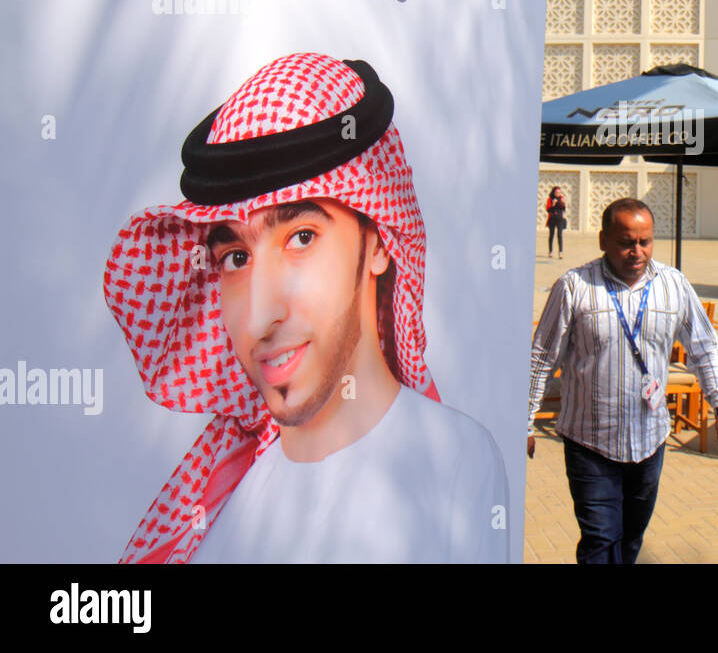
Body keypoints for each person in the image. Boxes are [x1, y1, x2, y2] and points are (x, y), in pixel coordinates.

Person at [103, 53, 507, 563]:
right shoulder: (223, 494)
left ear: (378, 241)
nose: (258, 317)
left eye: (301, 237)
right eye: (235, 257)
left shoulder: (456, 464)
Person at [526, 198, 718, 563]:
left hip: (649, 441)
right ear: (603, 239)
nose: (637, 251)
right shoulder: (574, 287)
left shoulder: (673, 286)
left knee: (630, 540)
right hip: (589, 442)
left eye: (645, 241)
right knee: (600, 539)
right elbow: (542, 357)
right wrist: (524, 419)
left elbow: (704, 348)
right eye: (626, 242)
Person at [545, 186, 567, 258]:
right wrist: (553, 204)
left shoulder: (561, 199)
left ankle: (560, 252)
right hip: (552, 219)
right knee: (551, 235)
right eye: (557, 192)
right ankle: (550, 251)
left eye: (559, 192)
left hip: (559, 219)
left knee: (559, 235)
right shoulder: (550, 199)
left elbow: (564, 209)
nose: (558, 194)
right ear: (554, 192)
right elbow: (548, 210)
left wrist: (563, 203)